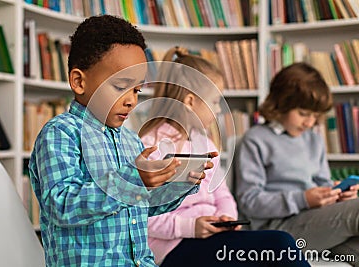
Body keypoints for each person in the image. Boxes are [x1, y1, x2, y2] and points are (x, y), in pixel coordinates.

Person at [28, 15, 216, 266]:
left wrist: (179, 183)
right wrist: (132, 180)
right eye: (120, 87)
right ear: (79, 82)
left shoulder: (131, 141)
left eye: (137, 90)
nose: (131, 100)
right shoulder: (61, 134)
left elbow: (141, 210)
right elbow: (61, 206)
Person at [139, 47, 310, 267]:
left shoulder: (205, 143)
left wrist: (226, 218)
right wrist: (191, 227)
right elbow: (141, 215)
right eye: (215, 101)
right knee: (279, 244)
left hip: (213, 236)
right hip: (173, 247)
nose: (219, 110)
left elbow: (222, 194)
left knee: (278, 246)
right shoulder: (150, 146)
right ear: (190, 101)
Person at [236, 62, 359, 266]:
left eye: (314, 116)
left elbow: (323, 184)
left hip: (316, 223)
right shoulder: (255, 140)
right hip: (278, 230)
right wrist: (303, 199)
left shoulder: (313, 140)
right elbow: (249, 202)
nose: (309, 123)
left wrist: (337, 195)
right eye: (303, 114)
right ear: (281, 103)